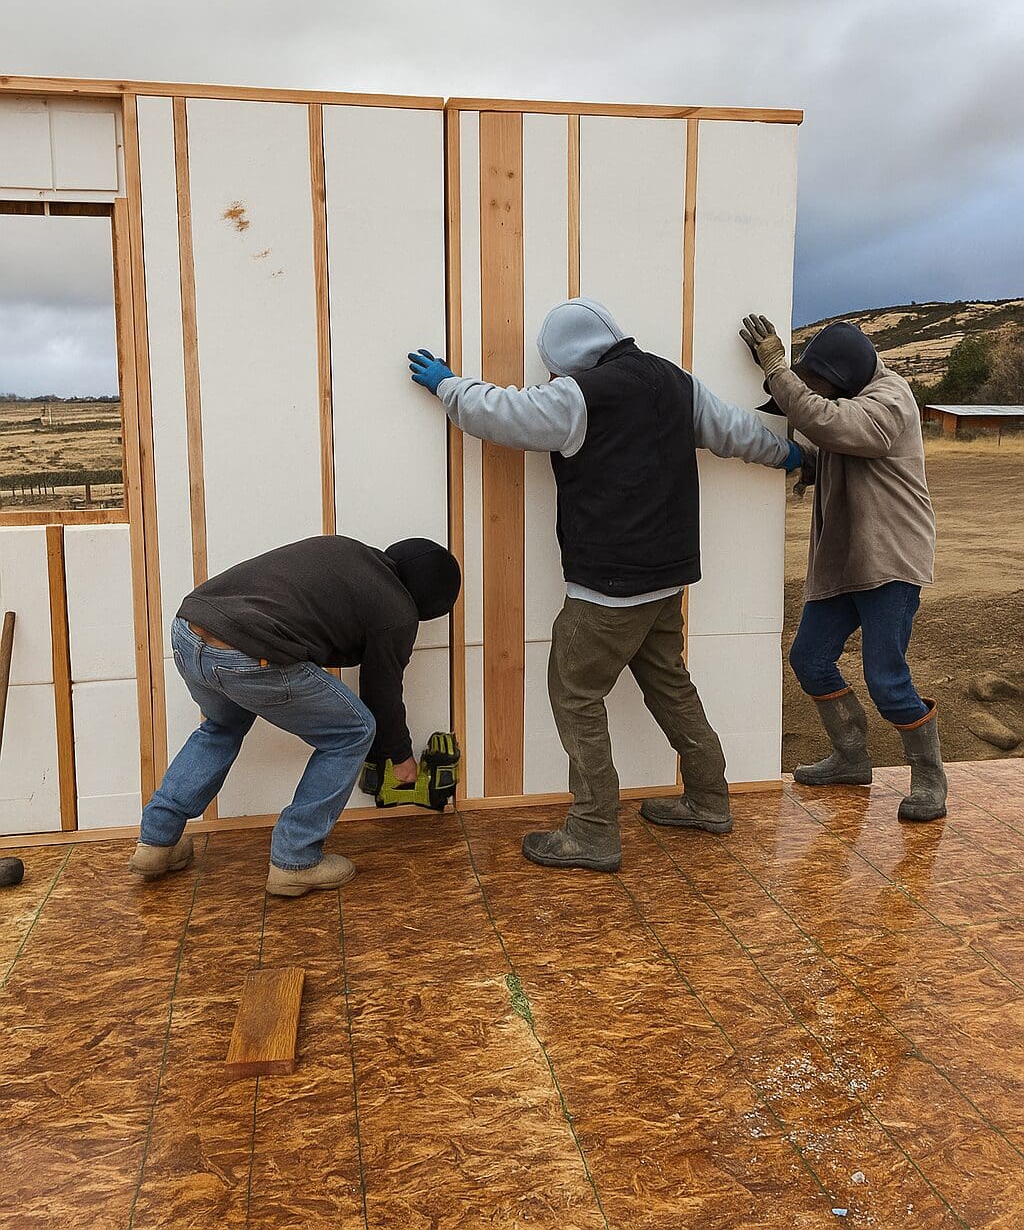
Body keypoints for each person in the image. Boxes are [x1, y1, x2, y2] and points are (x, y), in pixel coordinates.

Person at [409, 297, 804, 872]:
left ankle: (593, 829)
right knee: (671, 686)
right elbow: (735, 430)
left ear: (568, 357)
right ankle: (709, 799)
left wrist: (448, 385)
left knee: (574, 694)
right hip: (667, 580)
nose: (550, 378)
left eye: (552, 367)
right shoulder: (672, 381)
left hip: (608, 591)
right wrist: (788, 453)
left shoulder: (578, 396)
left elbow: (498, 413)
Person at [130, 535, 461, 895]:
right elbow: (382, 692)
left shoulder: (348, 552)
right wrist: (399, 757)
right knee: (353, 730)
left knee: (221, 727)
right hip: (248, 651)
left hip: (188, 630)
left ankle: (157, 841)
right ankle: (296, 859)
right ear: (428, 605)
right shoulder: (398, 610)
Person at [740, 313, 946, 822]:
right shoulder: (852, 398)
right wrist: (801, 462)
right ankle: (852, 758)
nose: (818, 396)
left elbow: (838, 427)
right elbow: (827, 438)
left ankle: (929, 777)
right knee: (809, 658)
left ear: (843, 375)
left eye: (820, 386)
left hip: (888, 560)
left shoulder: (890, 399)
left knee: (885, 677)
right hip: (844, 558)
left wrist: (777, 369)